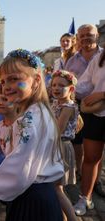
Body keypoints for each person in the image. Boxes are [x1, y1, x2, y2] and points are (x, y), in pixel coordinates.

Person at [0, 49, 64, 221]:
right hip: (43, 197)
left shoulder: (28, 121)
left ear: (36, 80)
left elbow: (20, 171)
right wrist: (0, 176)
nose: (6, 86)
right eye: (3, 81)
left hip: (31, 202)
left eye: (14, 79)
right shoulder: (42, 112)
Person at [64, 24, 103, 182]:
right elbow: (68, 83)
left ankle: (96, 180)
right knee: (78, 140)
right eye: (82, 35)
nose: (86, 38)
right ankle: (80, 170)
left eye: (90, 34)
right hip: (79, 104)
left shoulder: (102, 55)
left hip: (101, 106)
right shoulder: (71, 61)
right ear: (78, 39)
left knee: (97, 149)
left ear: (97, 35)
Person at [73, 49, 105, 215]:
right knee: (91, 158)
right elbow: (84, 83)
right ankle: (85, 198)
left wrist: (102, 94)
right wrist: (67, 87)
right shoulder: (99, 57)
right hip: (96, 114)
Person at [50, 70, 79, 221]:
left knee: (57, 189)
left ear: (71, 89)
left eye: (61, 85)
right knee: (56, 188)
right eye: (54, 84)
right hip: (56, 145)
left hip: (60, 146)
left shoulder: (67, 107)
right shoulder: (57, 103)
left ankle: (72, 218)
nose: (56, 88)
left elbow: (57, 129)